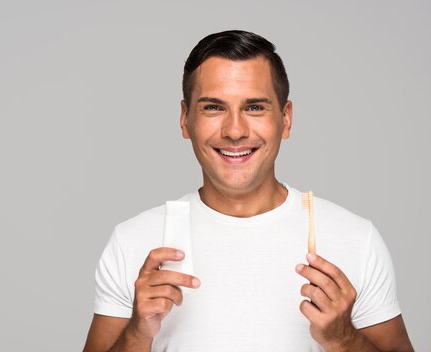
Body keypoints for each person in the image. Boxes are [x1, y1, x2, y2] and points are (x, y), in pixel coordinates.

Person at [82, 30, 413, 351]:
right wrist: (137, 334)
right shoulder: (133, 241)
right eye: (214, 107)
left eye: (255, 107)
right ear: (185, 120)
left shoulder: (354, 238)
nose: (235, 130)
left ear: (285, 119)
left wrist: (343, 339)